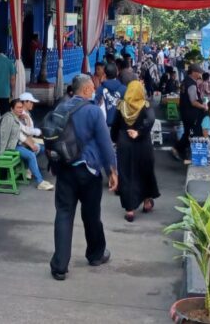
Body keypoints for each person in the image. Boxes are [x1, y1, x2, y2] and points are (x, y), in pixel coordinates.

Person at [49, 74, 118, 281]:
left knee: (63, 213)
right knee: (91, 215)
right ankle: (96, 254)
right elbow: (105, 144)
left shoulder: (60, 108)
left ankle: (60, 266)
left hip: (65, 168)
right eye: (93, 88)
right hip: (88, 170)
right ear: (87, 90)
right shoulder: (94, 111)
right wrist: (112, 171)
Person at [112, 80, 160, 221]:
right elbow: (150, 120)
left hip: (124, 144)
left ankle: (130, 210)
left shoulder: (121, 106)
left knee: (126, 175)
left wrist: (115, 139)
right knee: (144, 172)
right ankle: (146, 202)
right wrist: (139, 132)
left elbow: (115, 126)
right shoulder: (145, 105)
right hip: (142, 145)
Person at [0, 98, 54, 191]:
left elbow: (25, 131)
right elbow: (19, 136)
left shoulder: (16, 118)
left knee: (39, 149)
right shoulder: (8, 119)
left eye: (21, 107)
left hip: (15, 144)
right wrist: (31, 145)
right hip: (8, 147)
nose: (20, 109)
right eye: (18, 107)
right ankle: (40, 182)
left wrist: (26, 118)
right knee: (31, 154)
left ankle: (28, 168)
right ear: (12, 109)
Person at [173, 64, 207, 163]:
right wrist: (203, 106)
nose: (200, 74)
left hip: (184, 111)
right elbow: (193, 102)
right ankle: (179, 149)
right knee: (191, 133)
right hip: (191, 113)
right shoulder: (191, 84)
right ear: (193, 72)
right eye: (199, 72)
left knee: (188, 132)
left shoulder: (185, 81)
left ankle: (181, 150)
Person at [95, 63, 125, 128]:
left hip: (104, 126)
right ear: (117, 73)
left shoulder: (100, 90)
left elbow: (96, 107)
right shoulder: (124, 89)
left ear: (104, 74)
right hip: (120, 126)